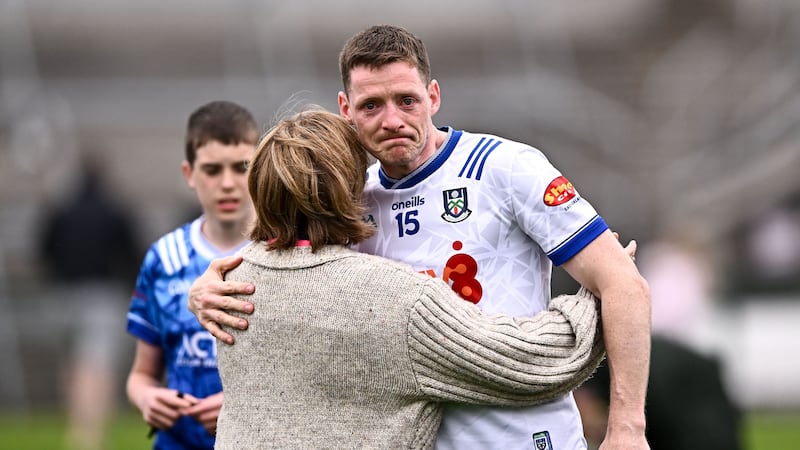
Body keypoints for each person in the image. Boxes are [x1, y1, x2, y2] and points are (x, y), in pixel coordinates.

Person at [190, 25, 651, 450]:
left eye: (406, 100)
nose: (391, 119)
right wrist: (206, 286)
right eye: (372, 105)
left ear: (433, 97)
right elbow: (283, 266)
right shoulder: (349, 198)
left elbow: (624, 284)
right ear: (346, 109)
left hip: (526, 433)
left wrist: (627, 427)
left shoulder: (507, 168)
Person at [214, 107, 606, 449]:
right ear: (349, 190)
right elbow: (527, 364)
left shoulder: (229, 283)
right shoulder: (390, 298)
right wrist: (591, 299)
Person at [125, 100, 259, 449]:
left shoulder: (281, 252)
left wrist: (243, 408)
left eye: (241, 167)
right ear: (189, 174)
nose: (228, 183)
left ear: (260, 168)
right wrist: (147, 399)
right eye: (213, 170)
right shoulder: (163, 259)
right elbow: (141, 375)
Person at [38, 151, 140, 450]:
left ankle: (77, 423)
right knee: (96, 366)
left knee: (72, 365)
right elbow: (132, 252)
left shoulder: (61, 210)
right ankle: (90, 433)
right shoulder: (114, 210)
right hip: (102, 297)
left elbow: (44, 249)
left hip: (62, 295)